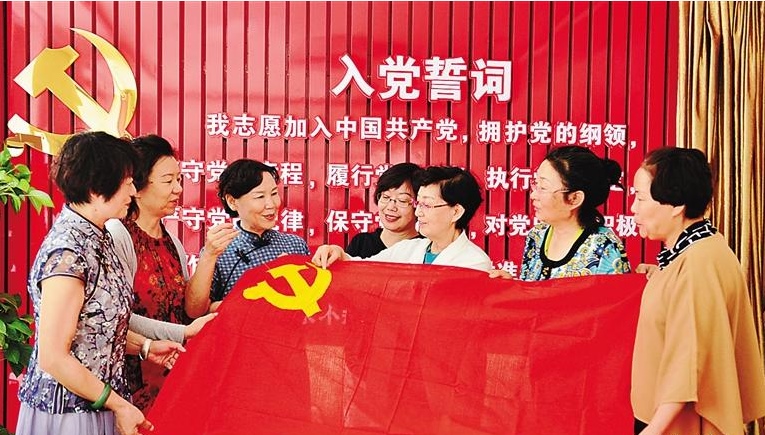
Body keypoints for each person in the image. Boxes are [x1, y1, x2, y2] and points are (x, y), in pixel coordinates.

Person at [16, 131, 183, 435]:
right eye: (127, 182)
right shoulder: (67, 253)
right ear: (96, 188)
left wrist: (145, 346)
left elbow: (95, 327)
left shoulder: (99, 236)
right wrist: (118, 404)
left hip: (100, 403)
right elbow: (53, 357)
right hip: (69, 413)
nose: (133, 190)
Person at [630, 148, 765, 434]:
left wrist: (652, 431)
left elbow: (688, 365)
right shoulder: (704, 248)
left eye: (641, 198)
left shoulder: (696, 266)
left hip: (679, 425)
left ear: (676, 205)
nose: (633, 208)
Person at [106, 135, 236, 411]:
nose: (178, 189)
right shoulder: (119, 235)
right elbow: (116, 317)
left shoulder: (171, 241)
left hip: (171, 380)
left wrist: (209, 255)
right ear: (137, 188)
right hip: (131, 384)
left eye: (179, 179)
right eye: (168, 181)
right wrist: (183, 333)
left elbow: (191, 308)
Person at [185, 159, 310, 316]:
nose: (271, 204)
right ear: (232, 202)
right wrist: (246, 304)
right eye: (260, 197)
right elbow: (194, 311)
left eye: (274, 193)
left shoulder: (295, 245)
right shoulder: (219, 251)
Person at [313, 166, 492, 271]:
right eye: (418, 203)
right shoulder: (408, 248)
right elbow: (364, 269)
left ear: (456, 212)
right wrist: (337, 253)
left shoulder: (475, 263)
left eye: (427, 205)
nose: (418, 212)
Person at [516, 145, 630, 280]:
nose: (533, 195)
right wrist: (512, 284)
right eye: (536, 184)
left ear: (574, 199)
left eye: (543, 188)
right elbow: (530, 289)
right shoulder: (536, 235)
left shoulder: (604, 248)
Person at [346, 162, 423, 258]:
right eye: (386, 197)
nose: (390, 207)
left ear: (419, 204)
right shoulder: (361, 243)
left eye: (402, 200)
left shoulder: (425, 249)